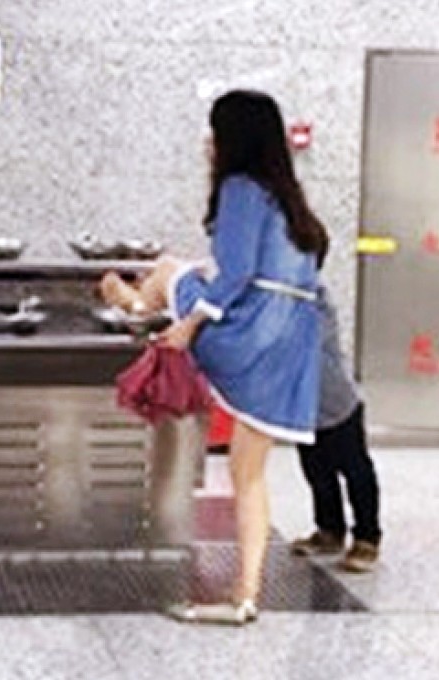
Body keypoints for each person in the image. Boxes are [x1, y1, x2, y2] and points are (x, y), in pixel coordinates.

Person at [99, 89, 328, 625]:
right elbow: (261, 268)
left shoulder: (241, 188)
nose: (208, 141)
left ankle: (135, 303)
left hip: (250, 333)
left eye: (214, 130)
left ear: (234, 138)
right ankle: (245, 595)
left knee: (167, 268)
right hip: (292, 344)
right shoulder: (289, 199)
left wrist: (188, 324)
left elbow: (239, 273)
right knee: (249, 474)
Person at [291, 282, 383, 572]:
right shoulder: (273, 294)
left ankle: (367, 538)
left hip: (338, 404)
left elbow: (304, 340)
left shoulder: (315, 297)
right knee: (317, 471)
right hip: (305, 408)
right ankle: (330, 531)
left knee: (355, 470)